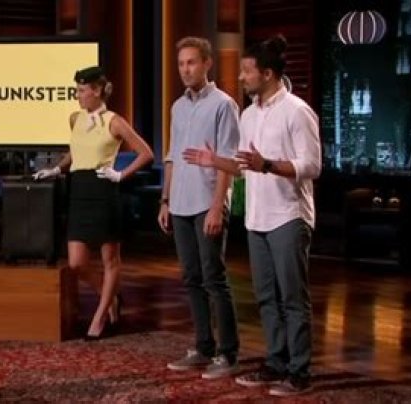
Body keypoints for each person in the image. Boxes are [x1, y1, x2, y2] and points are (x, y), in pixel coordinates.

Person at [183, 34, 321, 396]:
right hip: (257, 219)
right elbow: (244, 166)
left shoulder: (297, 111)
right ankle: (275, 362)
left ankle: (299, 371)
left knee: (292, 298)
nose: (241, 77)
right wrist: (215, 161)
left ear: (268, 74)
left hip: (289, 216)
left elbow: (312, 166)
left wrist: (269, 165)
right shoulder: (248, 114)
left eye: (246, 71)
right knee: (265, 297)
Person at [33, 66, 153, 339]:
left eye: (81, 91)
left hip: (104, 190)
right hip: (79, 190)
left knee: (110, 258)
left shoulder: (114, 121)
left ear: (97, 91)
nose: (77, 96)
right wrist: (56, 169)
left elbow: (146, 153)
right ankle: (109, 298)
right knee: (76, 262)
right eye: (76, 90)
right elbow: (75, 152)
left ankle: (99, 319)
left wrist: (120, 174)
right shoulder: (75, 118)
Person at [158, 36, 241, 379]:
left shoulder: (224, 105)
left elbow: (228, 161)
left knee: (213, 279)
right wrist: (165, 200)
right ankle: (203, 346)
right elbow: (172, 157)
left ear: (207, 63)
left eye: (191, 62)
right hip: (179, 203)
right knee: (191, 278)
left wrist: (217, 207)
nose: (185, 69)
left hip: (207, 203)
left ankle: (228, 353)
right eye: (181, 64)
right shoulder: (178, 107)